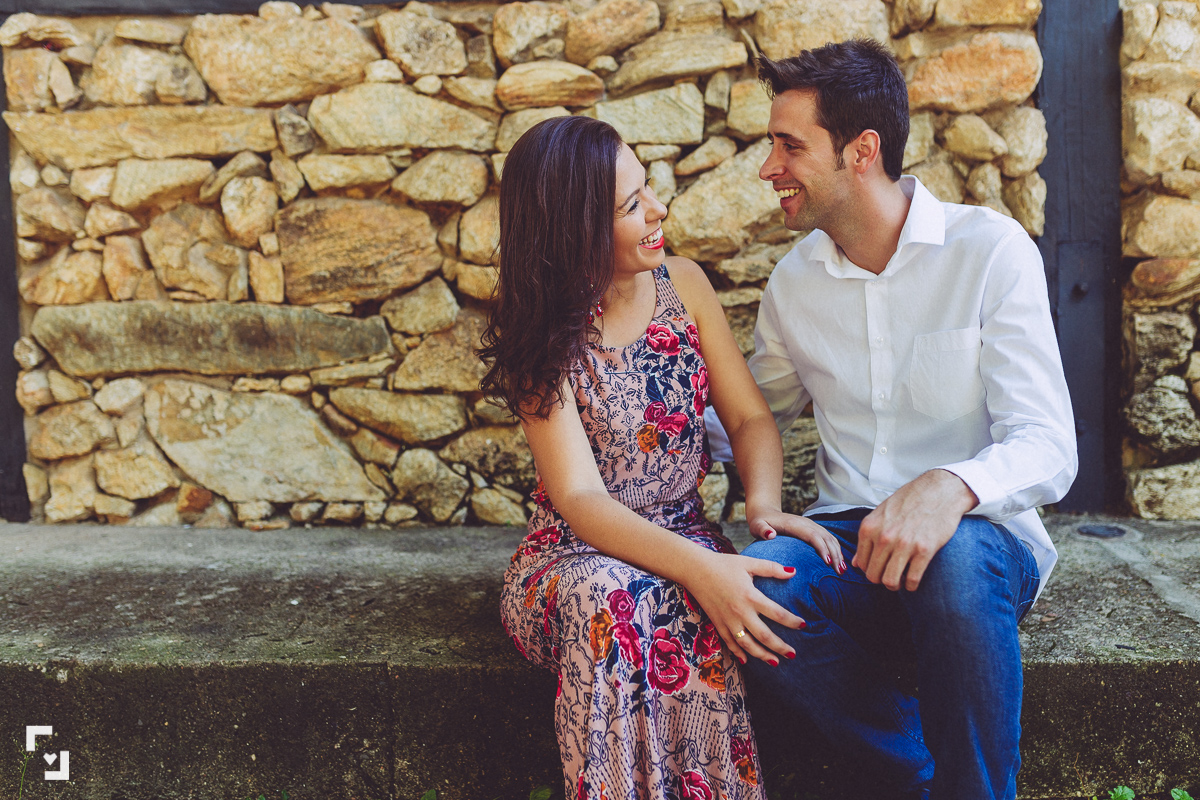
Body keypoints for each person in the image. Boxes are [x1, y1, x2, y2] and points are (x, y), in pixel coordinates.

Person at [704, 40, 1078, 800]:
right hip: (847, 543)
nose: (769, 168)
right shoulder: (793, 283)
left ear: (861, 151)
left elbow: (1049, 444)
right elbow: (749, 418)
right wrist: (623, 446)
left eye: (790, 146)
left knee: (957, 561)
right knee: (754, 596)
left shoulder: (989, 250)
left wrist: (950, 487)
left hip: (980, 544)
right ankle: (917, 776)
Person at [481, 115, 844, 799]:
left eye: (646, 189)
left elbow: (748, 417)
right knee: (613, 595)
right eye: (630, 206)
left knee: (696, 601)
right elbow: (580, 499)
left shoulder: (686, 286)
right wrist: (701, 568)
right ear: (574, 231)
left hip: (682, 531)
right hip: (573, 557)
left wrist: (763, 506)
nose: (657, 210)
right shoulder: (543, 329)